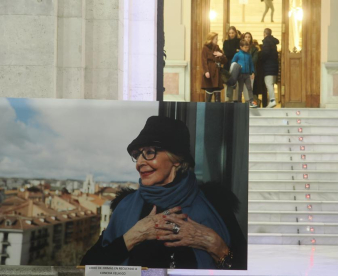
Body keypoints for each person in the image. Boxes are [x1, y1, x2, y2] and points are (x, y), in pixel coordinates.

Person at [80, 116, 247, 269]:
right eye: (137, 155)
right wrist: (134, 236)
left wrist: (216, 246)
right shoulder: (124, 207)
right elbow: (86, 268)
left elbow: (247, 268)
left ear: (176, 159)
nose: (139, 163)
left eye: (149, 152)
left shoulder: (216, 204)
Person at [201, 32, 227, 103]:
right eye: (216, 39)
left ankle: (217, 112)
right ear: (211, 39)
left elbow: (224, 61)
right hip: (209, 73)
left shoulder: (217, 48)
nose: (217, 40)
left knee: (217, 95)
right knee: (209, 94)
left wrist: (221, 55)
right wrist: (206, 71)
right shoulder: (205, 48)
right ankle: (206, 111)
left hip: (217, 74)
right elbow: (204, 61)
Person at [231, 40, 257, 107]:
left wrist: (252, 72)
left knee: (249, 88)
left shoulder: (249, 55)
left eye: (247, 47)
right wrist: (236, 68)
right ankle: (239, 102)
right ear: (241, 47)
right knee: (240, 89)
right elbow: (233, 62)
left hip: (247, 74)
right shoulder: (237, 55)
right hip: (240, 74)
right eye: (245, 47)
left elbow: (251, 64)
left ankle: (251, 101)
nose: (247, 49)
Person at [260, 28, 279, 108]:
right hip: (274, 66)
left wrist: (260, 56)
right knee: (271, 83)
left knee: (268, 83)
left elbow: (265, 53)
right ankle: (272, 100)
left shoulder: (266, 41)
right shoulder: (273, 42)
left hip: (268, 66)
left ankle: (272, 100)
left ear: (264, 33)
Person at [242, 32, 259, 104]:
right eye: (246, 37)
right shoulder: (241, 48)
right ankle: (246, 102)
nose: (247, 38)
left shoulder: (254, 48)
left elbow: (254, 59)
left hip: (250, 71)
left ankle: (250, 103)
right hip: (242, 71)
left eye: (249, 37)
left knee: (249, 87)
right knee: (243, 88)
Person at [253, 40, 268, 107]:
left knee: (256, 90)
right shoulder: (261, 52)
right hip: (261, 72)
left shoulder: (258, 52)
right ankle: (263, 104)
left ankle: (257, 103)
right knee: (262, 89)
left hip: (258, 72)